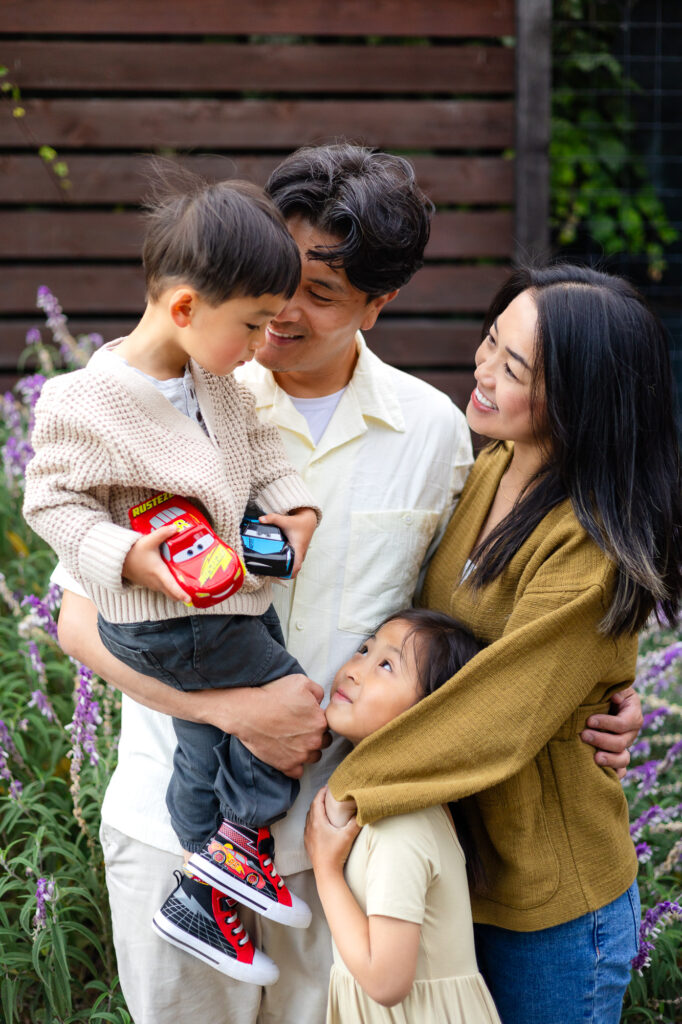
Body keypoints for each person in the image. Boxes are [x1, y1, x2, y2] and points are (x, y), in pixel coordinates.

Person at [54, 148, 641, 1024]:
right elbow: (76, 622)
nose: (283, 311)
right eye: (276, 281)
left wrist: (598, 694)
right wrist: (234, 713)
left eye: (320, 293)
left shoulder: (435, 434)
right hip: (169, 831)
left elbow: (469, 620)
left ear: (379, 303)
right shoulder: (161, 399)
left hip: (347, 847)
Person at [328, 263, 682, 1024]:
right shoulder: (492, 465)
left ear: (581, 399)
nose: (483, 370)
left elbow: (502, 708)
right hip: (464, 871)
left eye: (514, 368)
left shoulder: (589, 543)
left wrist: (340, 788)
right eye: (490, 341)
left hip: (548, 909)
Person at [23, 173, 325, 984]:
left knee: (207, 739)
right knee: (292, 704)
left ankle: (202, 883)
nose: (262, 344)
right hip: (165, 616)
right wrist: (128, 556)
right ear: (186, 308)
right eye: (253, 324)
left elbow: (261, 453)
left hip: (223, 600)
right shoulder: (84, 400)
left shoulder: (214, 380)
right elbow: (49, 501)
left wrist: (296, 514)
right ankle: (232, 853)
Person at [305, 608, 501, 1024]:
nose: (354, 670)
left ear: (429, 715)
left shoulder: (401, 825)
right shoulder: (389, 804)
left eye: (386, 666)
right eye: (364, 650)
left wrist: (325, 868)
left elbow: (386, 982)